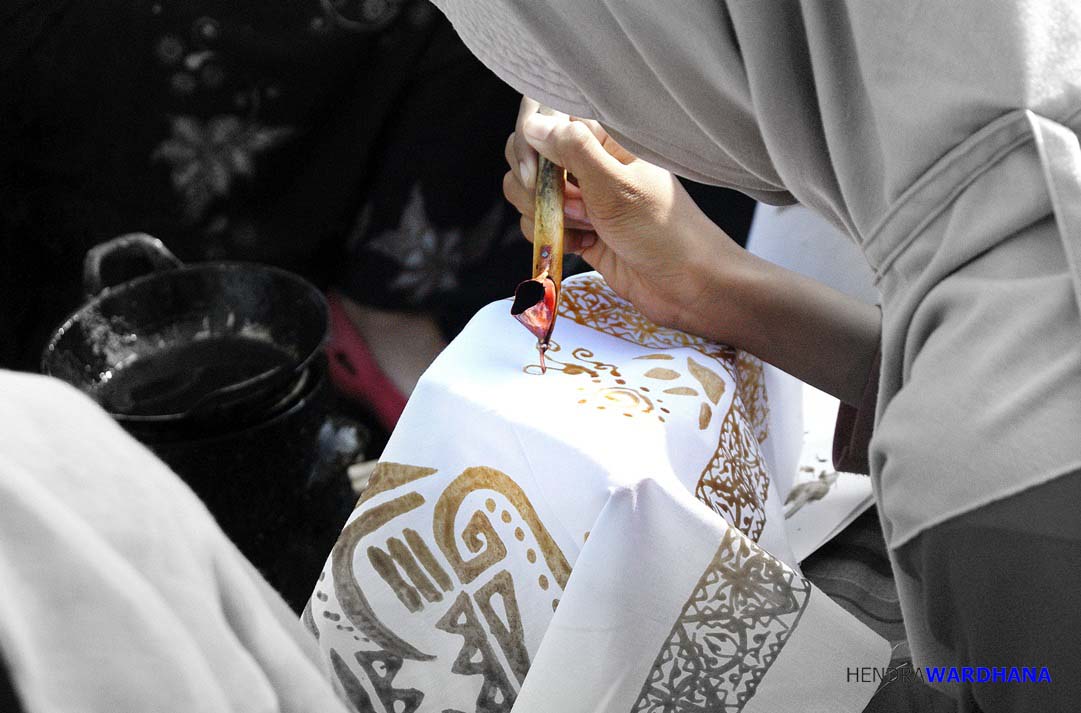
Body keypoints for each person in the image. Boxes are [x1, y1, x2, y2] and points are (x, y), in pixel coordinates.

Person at [427, 2, 1081, 710]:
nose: (591, 112)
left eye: (594, 80)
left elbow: (1008, 683)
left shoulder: (999, 479)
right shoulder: (1026, 196)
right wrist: (714, 287)